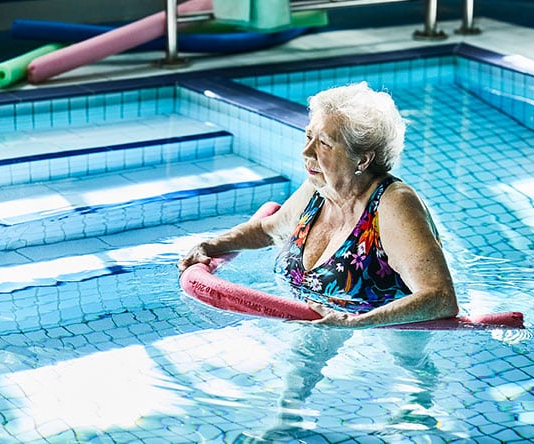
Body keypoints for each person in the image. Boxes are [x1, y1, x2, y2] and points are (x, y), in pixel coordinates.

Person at [178, 82, 458, 327]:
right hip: (320, 320)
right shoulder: (318, 188)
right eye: (308, 136)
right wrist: (209, 246)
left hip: (384, 328)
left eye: (323, 143)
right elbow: (268, 230)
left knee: (415, 371)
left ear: (362, 160)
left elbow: (440, 298)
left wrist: (356, 324)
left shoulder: (394, 204)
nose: (306, 151)